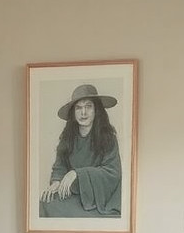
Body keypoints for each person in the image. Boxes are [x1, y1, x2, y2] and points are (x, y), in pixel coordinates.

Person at [39, 83, 122, 218]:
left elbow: (112, 173)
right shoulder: (67, 138)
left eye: (88, 106)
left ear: (97, 110)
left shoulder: (108, 138)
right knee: (45, 204)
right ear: (73, 113)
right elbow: (60, 166)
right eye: (78, 108)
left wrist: (77, 174)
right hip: (74, 195)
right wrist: (56, 182)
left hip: (100, 201)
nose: (83, 113)